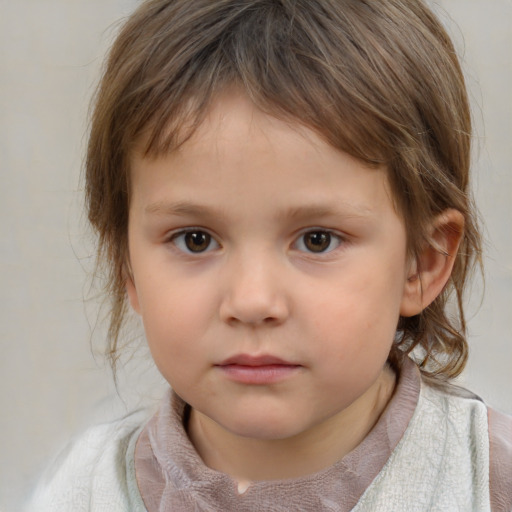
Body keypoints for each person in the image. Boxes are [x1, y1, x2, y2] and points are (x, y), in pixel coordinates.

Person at [27, 0, 512, 510]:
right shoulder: (82, 492)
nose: (252, 300)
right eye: (195, 239)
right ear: (128, 265)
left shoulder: (485, 482)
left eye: (317, 240)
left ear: (423, 262)